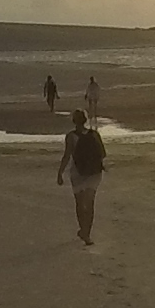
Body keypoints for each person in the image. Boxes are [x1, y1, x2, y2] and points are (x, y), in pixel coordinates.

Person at [55, 102, 106, 245]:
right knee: (90, 204)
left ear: (73, 120)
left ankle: (83, 229)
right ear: (86, 119)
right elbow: (102, 153)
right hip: (94, 173)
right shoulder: (94, 134)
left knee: (79, 203)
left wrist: (60, 173)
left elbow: (67, 155)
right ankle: (87, 233)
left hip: (78, 173)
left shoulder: (71, 136)